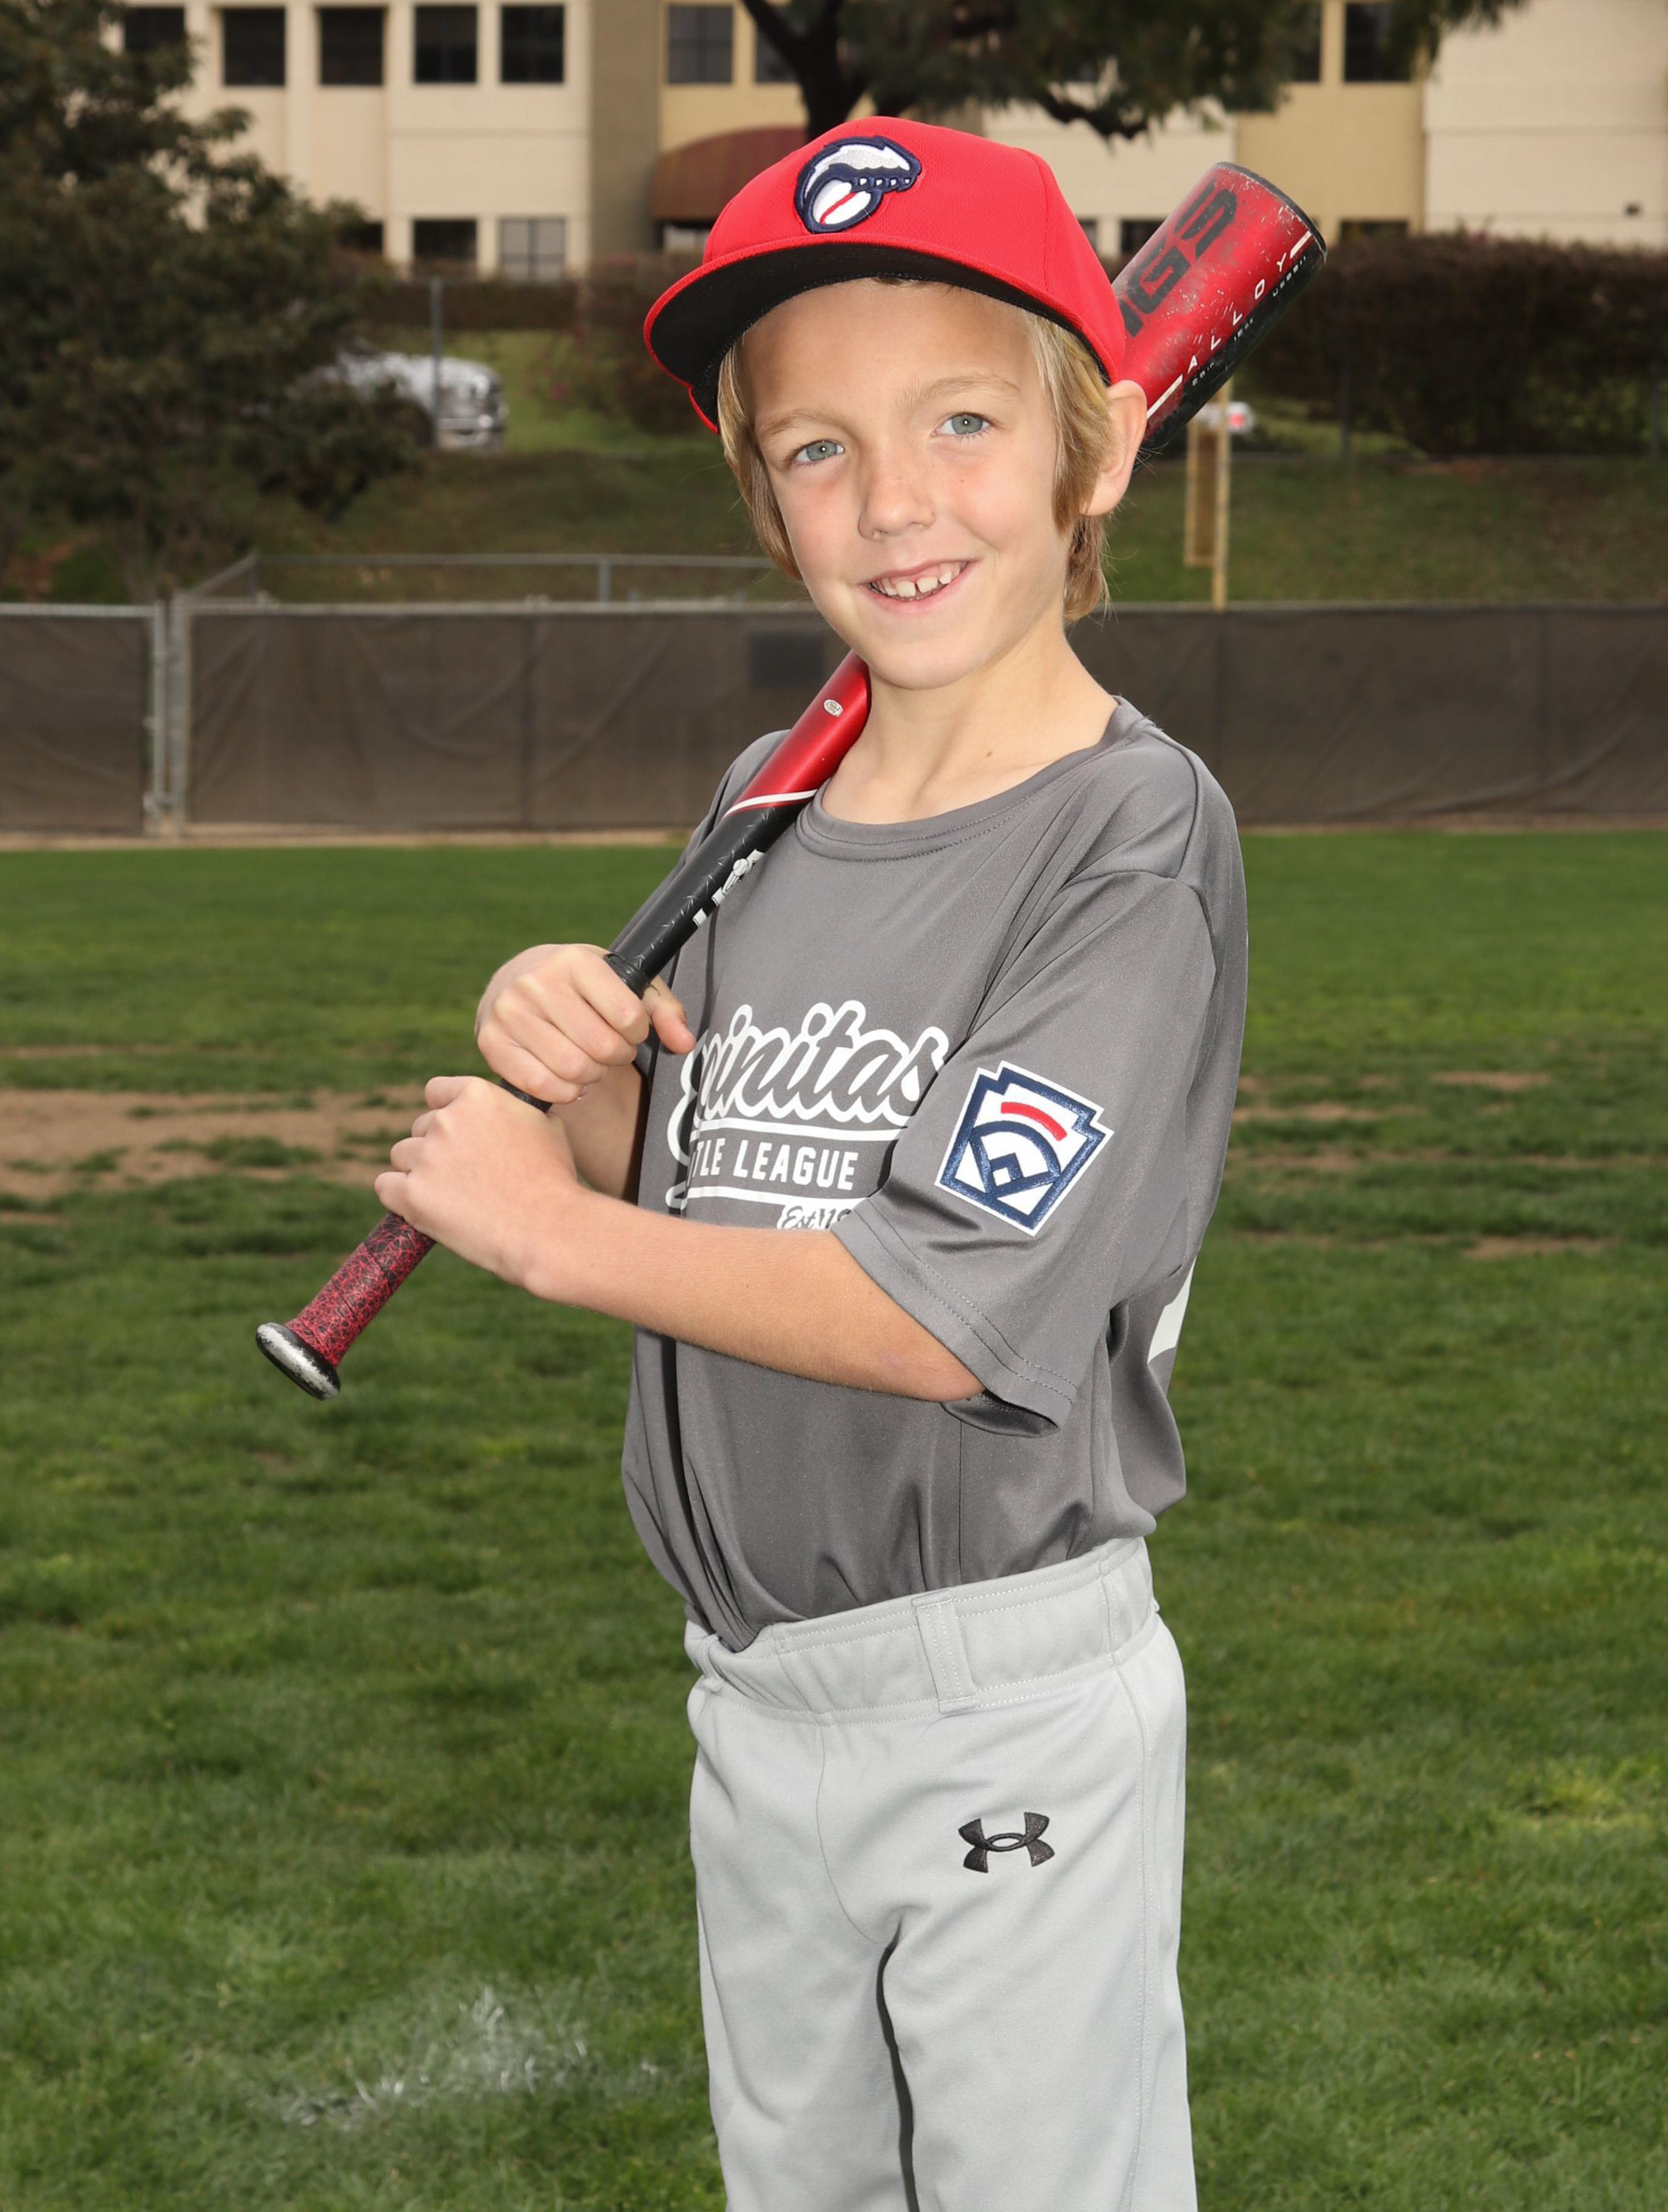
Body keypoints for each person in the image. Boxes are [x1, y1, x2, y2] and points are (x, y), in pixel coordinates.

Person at [375, 118, 1247, 2212]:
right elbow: (702, 1180)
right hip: (756, 1686)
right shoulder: (769, 796)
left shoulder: (1127, 836)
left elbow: (937, 1314)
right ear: (763, 500)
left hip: (997, 1687)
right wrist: (575, 1074)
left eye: (964, 420)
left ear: (1097, 450)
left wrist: (547, 1234)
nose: (894, 497)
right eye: (817, 448)